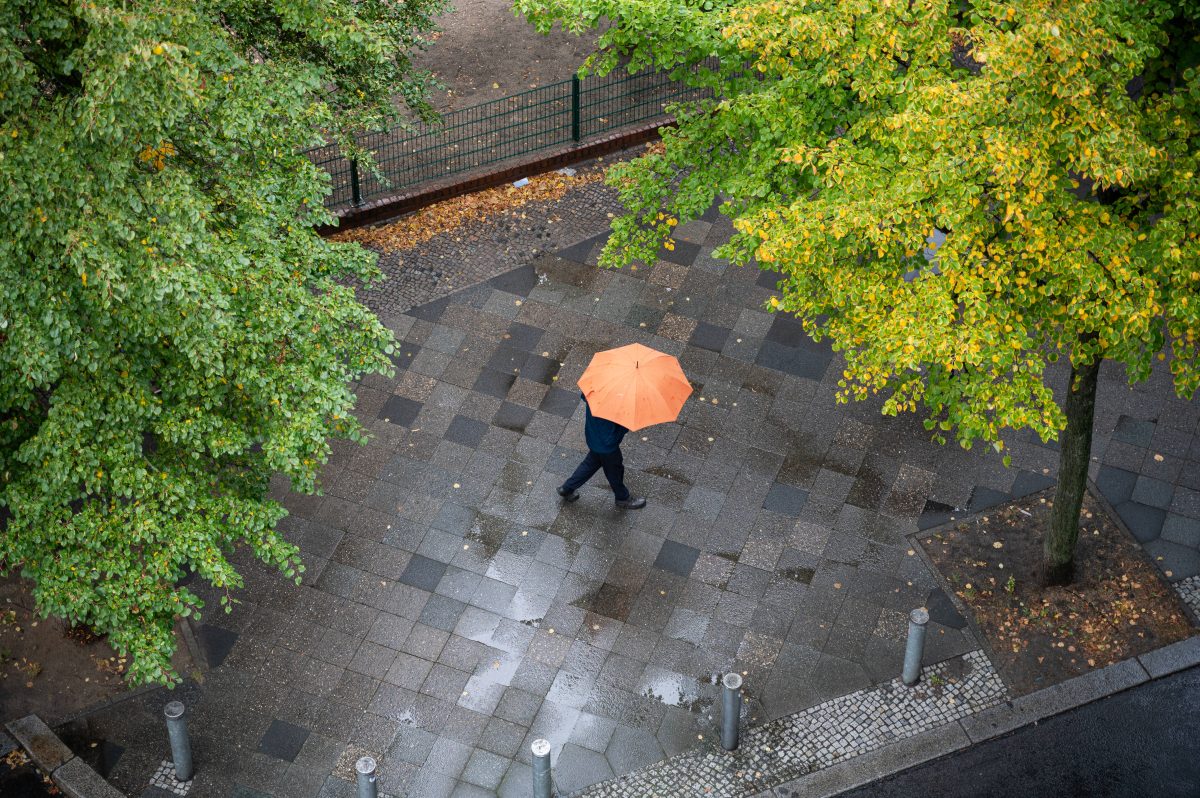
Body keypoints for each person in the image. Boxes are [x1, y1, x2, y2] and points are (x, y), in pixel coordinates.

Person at [557, 393, 646, 509]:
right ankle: (622, 498)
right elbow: (623, 425)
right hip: (607, 445)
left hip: (594, 436)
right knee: (614, 470)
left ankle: (567, 488)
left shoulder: (596, 389)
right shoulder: (617, 402)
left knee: (591, 463)